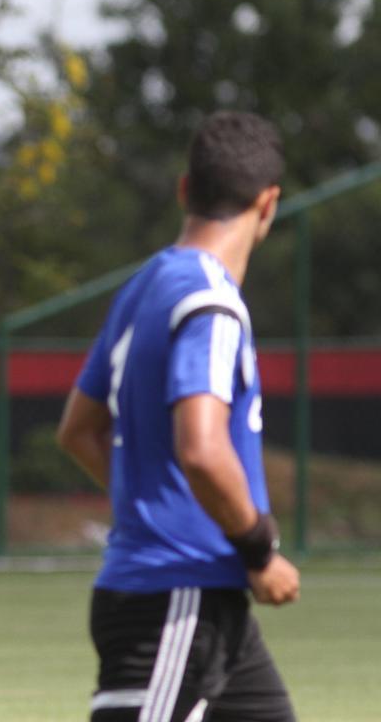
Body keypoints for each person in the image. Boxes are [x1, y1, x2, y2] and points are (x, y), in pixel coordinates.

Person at [56, 111, 300, 722]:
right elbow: (201, 448)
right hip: (174, 598)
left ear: (184, 189)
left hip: (208, 601)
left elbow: (79, 432)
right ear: (268, 204)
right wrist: (259, 550)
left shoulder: (145, 285)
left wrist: (149, 504)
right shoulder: (212, 302)